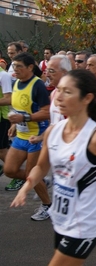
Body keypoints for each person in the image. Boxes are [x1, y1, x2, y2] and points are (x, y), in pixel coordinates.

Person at [10, 69, 96, 265]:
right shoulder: (53, 131)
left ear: (87, 98)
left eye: (67, 92)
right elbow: (41, 167)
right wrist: (27, 186)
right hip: (61, 218)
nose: (58, 96)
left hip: (86, 221)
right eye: (58, 90)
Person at [4, 53, 52, 220]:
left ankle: (47, 205)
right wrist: (14, 124)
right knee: (9, 170)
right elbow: (19, 109)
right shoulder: (17, 83)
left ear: (30, 67)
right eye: (14, 66)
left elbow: (46, 113)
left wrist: (24, 119)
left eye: (19, 66)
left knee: (31, 174)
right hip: (21, 136)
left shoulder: (37, 85)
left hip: (36, 136)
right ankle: (42, 180)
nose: (15, 70)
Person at [0, 62, 12, 177]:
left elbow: (8, 99)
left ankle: (16, 173)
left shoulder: (3, 75)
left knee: (2, 150)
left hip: (1, 118)